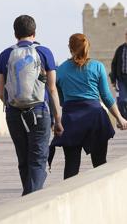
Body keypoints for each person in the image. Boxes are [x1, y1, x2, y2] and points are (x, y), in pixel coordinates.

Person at [0, 15, 63, 198]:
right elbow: (52, 88)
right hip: (40, 111)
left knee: (23, 158)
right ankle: (31, 200)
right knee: (38, 159)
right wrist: (58, 119)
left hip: (14, 113)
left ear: (15, 33)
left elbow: (2, 93)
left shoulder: (5, 54)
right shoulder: (44, 52)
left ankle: (28, 196)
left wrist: (14, 107)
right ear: (34, 32)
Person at [52, 33, 127, 179]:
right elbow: (106, 96)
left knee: (71, 166)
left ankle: (70, 198)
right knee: (100, 164)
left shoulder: (60, 70)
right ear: (88, 47)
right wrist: (120, 118)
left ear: (70, 48)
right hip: (95, 118)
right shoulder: (97, 66)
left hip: (71, 119)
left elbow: (61, 100)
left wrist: (58, 120)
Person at [110, 27, 127, 119]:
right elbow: (114, 64)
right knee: (122, 101)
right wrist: (113, 79)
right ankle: (124, 119)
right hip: (122, 79)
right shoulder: (120, 49)